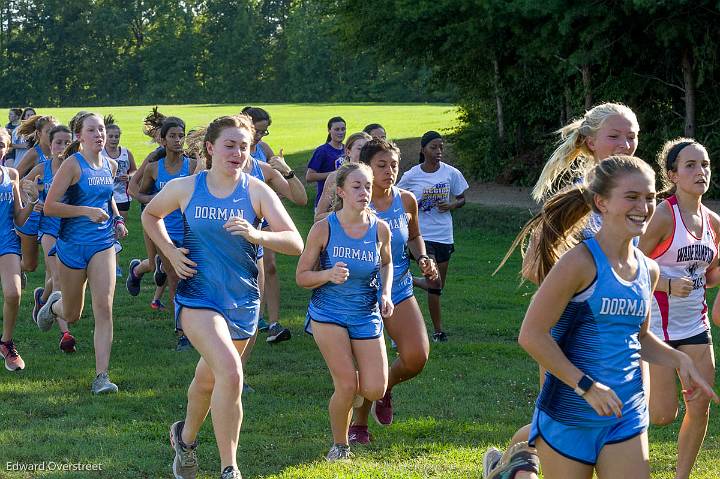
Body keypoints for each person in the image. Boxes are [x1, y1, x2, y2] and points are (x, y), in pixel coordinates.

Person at [516, 155, 717, 479]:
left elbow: (638, 337)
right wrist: (587, 386)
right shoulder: (578, 262)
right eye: (632, 197)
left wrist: (680, 361)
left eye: (650, 198)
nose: (644, 207)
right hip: (571, 411)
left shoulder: (648, 269)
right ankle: (513, 463)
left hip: (625, 412)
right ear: (602, 202)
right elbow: (532, 335)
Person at [142, 114, 303, 479]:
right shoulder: (186, 187)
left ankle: (184, 440)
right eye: (230, 145)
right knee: (231, 372)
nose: (238, 153)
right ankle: (230, 468)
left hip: (244, 300)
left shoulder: (256, 191)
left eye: (244, 147)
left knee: (210, 378)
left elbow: (295, 242)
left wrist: (257, 235)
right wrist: (169, 251)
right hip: (198, 297)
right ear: (211, 148)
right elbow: (151, 215)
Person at [486, 102, 641, 479]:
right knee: (562, 422)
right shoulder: (577, 200)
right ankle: (509, 463)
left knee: (591, 422)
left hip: (612, 336)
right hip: (565, 336)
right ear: (589, 143)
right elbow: (534, 267)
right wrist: (575, 275)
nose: (625, 144)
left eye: (632, 136)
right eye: (615, 136)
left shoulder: (633, 197)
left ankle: (507, 463)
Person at [296, 162, 394, 461]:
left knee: (376, 388)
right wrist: (327, 275)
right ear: (340, 191)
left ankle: (356, 384)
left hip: (365, 313)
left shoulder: (380, 229)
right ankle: (340, 446)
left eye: (367, 186)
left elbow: (387, 263)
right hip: (328, 314)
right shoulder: (324, 227)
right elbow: (301, 277)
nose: (364, 192)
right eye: (356, 186)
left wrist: (386, 293)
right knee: (348, 385)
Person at [347, 139, 438, 444]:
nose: (389, 171)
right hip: (360, 294)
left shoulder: (407, 200)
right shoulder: (357, 201)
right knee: (369, 364)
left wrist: (423, 257)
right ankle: (358, 425)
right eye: (381, 165)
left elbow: (414, 236)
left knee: (416, 357)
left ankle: (384, 387)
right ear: (368, 168)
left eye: (394, 165)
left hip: (398, 288)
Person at [638, 139, 718, 479]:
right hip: (656, 328)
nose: (700, 171)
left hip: (696, 326)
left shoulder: (713, 221)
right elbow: (628, 266)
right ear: (672, 174)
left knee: (700, 406)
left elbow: (710, 276)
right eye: (690, 165)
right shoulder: (661, 217)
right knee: (661, 415)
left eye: (705, 165)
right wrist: (666, 285)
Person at [36, 112, 128, 394]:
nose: (99, 134)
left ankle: (102, 376)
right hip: (72, 247)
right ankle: (53, 305)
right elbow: (50, 206)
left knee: (104, 307)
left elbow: (107, 197)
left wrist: (117, 220)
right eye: (92, 130)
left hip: (102, 245)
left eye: (101, 129)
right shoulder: (72, 165)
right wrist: (85, 212)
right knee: (73, 314)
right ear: (79, 136)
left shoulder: (110, 166)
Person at [239, 106, 307, 341]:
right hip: (232, 224)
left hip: (262, 219)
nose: (259, 137)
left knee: (269, 266)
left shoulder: (263, 157)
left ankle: (272, 323)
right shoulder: (226, 157)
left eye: (264, 132)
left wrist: (287, 172)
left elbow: (299, 198)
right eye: (257, 131)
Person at [397, 131, 468, 342]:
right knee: (434, 282)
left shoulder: (451, 173)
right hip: (420, 235)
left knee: (437, 286)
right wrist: (414, 207)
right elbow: (395, 196)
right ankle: (438, 333)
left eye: (441, 147)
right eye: (433, 147)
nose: (438, 152)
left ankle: (408, 280)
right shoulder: (411, 175)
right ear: (423, 150)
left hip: (444, 235)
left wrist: (452, 205)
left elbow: (462, 198)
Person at [135, 117, 195, 350]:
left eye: (181, 136)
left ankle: (198, 324)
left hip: (190, 231)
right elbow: (140, 195)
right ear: (162, 139)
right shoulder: (153, 168)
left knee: (193, 278)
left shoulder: (191, 166)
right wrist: (159, 201)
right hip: (164, 231)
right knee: (174, 278)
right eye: (173, 136)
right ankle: (182, 332)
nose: (178, 140)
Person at [24, 124, 77, 353]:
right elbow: (22, 184)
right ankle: (65, 334)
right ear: (50, 145)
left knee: (66, 275)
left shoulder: (77, 169)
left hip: (72, 229)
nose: (63, 147)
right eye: (58, 142)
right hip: (48, 229)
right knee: (58, 277)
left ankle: (42, 298)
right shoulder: (42, 168)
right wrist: (34, 199)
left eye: (67, 143)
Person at [0, 126, 38, 371]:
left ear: (6, 148)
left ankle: (6, 343)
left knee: (13, 294)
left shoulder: (11, 175)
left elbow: (19, 217)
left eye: (1, 145)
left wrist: (33, 200)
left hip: (7, 243)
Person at [13, 115, 59, 283]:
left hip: (53, 213)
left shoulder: (62, 153)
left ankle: (47, 299)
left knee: (53, 263)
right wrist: (31, 201)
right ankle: (13, 266)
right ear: (39, 134)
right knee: (31, 265)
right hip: (33, 214)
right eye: (49, 131)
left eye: (56, 130)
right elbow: (15, 180)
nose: (53, 134)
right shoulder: (34, 153)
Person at [102, 115, 137, 277]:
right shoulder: (100, 153)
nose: (114, 139)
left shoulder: (125, 152)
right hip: (105, 198)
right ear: (105, 137)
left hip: (123, 197)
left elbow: (135, 171)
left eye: (117, 136)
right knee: (107, 230)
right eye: (111, 136)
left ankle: (111, 261)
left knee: (117, 231)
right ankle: (113, 266)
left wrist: (128, 177)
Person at [314, 132, 372, 222]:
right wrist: (346, 213)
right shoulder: (335, 177)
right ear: (348, 152)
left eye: (368, 150)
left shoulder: (376, 177)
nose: (364, 153)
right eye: (360, 149)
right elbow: (318, 217)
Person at [306, 116, 346, 208]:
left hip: (343, 203)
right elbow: (309, 176)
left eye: (343, 129)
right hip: (325, 203)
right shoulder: (322, 151)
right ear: (329, 130)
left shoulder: (347, 149)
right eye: (337, 129)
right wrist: (335, 174)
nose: (340, 132)